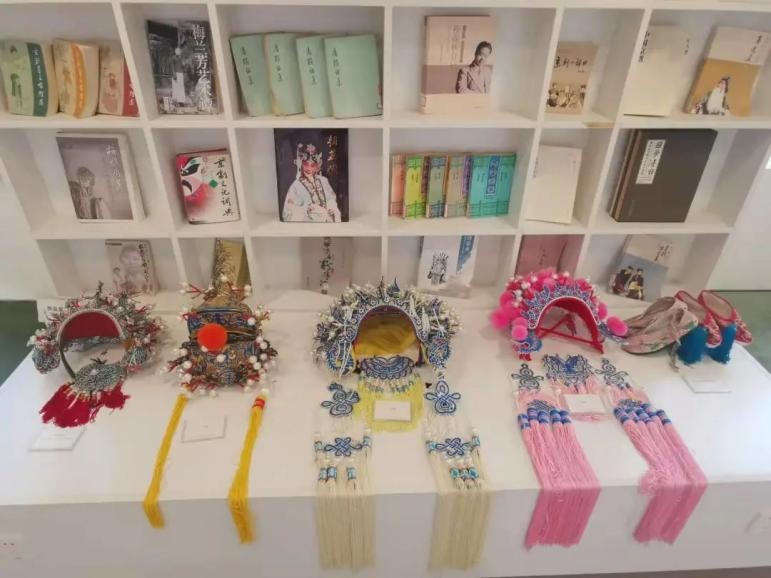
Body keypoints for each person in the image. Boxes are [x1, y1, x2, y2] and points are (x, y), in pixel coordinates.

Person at [282, 143, 342, 222]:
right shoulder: (296, 186)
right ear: (301, 164)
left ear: (317, 166)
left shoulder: (324, 181)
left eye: (313, 165)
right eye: (306, 164)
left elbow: (331, 198)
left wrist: (332, 208)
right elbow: (287, 212)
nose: (309, 168)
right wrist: (307, 210)